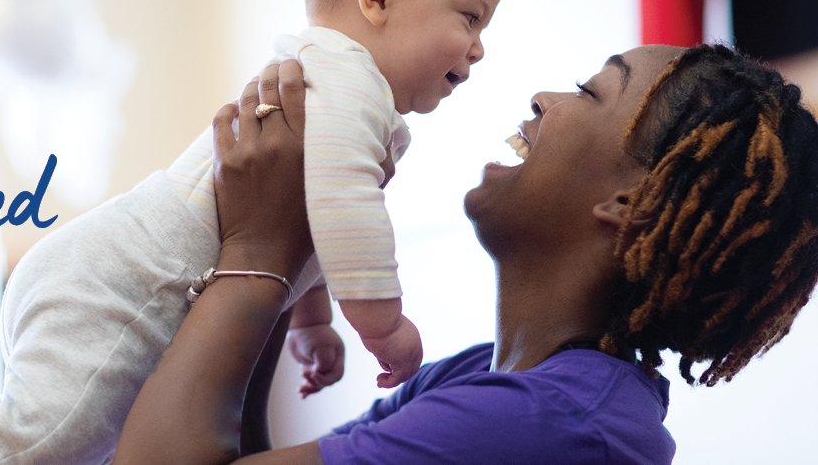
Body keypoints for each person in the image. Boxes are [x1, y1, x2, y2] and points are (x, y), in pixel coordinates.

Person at [0, 0, 506, 463]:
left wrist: (309, 322)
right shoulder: (352, 85)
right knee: (43, 440)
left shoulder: (332, 81)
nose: (478, 49)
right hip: (122, 285)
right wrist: (384, 326)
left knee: (86, 447)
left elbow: (313, 225)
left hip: (113, 272)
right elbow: (348, 215)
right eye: (471, 17)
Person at [113, 43, 818, 464]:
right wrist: (294, 257)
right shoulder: (496, 380)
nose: (544, 98)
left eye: (587, 92)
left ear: (632, 205)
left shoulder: (542, 425)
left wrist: (261, 248)